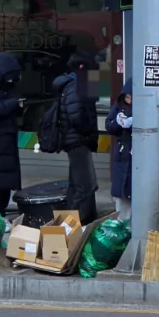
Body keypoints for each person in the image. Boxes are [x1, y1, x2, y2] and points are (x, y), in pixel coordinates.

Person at [52, 51, 100, 224]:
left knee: (77, 184)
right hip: (78, 141)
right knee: (85, 185)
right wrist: (88, 132)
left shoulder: (74, 85)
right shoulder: (76, 86)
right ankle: (73, 225)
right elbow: (76, 116)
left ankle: (78, 220)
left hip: (77, 140)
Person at [0, 53, 24, 216]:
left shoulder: (5, 88)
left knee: (5, 183)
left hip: (6, 141)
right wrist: (12, 105)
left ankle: (0, 212)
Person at [105, 78, 133, 221]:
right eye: (127, 97)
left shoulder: (144, 107)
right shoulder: (119, 106)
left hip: (134, 153)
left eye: (131, 97)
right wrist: (118, 122)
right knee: (123, 196)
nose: (129, 100)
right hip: (122, 154)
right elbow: (109, 125)